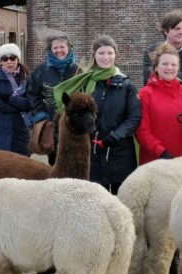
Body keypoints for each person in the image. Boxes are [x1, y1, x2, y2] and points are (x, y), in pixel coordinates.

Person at [54, 34, 141, 194]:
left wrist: (115, 136)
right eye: (101, 53)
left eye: (109, 53)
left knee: (120, 199)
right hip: (91, 151)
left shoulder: (126, 85)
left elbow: (133, 118)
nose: (105, 57)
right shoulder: (83, 83)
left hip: (119, 152)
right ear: (94, 55)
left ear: (116, 55)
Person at [136, 43, 182, 164]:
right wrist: (161, 152)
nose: (169, 68)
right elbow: (142, 131)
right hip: (154, 161)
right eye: (165, 64)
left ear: (178, 68)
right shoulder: (145, 94)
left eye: (173, 64)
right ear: (156, 67)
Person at [26, 29, 80, 163]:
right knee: (55, 164)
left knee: (76, 162)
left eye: (62, 47)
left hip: (75, 127)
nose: (59, 50)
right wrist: (40, 115)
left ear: (69, 48)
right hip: (52, 126)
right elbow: (32, 94)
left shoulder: (79, 71)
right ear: (50, 50)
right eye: (55, 47)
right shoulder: (41, 70)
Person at [141, 9, 182, 96]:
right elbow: (149, 79)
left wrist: (168, 82)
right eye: (177, 29)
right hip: (158, 103)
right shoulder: (151, 52)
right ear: (166, 31)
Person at [0, 43, 32, 155]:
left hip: (21, 130)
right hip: (0, 129)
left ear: (18, 59)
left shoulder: (27, 79)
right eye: (5, 59)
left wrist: (9, 99)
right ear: (1, 61)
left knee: (22, 166)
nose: (9, 61)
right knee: (0, 165)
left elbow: (30, 103)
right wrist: (17, 108)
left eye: (12, 58)